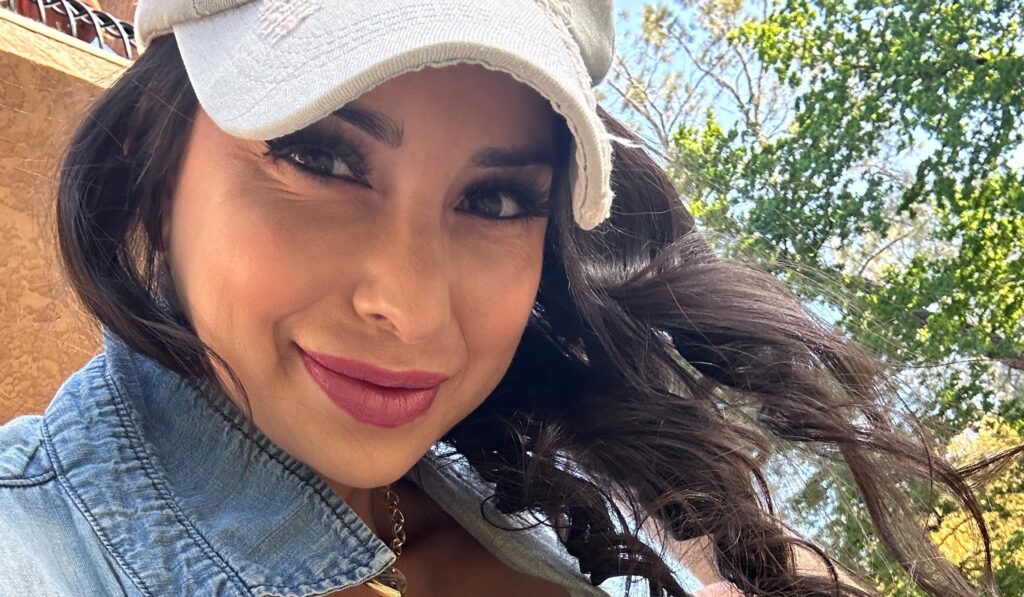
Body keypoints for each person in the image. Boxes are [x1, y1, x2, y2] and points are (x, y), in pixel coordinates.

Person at [0, 0, 1009, 595]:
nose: (409, 304)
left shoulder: (539, 489)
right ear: (149, 160)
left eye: (493, 200)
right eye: (320, 158)